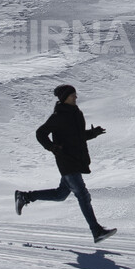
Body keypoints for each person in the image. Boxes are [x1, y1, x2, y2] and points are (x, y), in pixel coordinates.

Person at [14, 84, 117, 243]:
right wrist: (52, 147)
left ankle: (24, 197)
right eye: (72, 95)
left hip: (77, 159)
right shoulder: (58, 116)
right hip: (66, 161)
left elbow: (77, 136)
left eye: (75, 94)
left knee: (60, 195)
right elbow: (40, 133)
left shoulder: (76, 113)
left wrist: (93, 133)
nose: (76, 97)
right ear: (65, 98)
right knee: (83, 195)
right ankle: (96, 231)